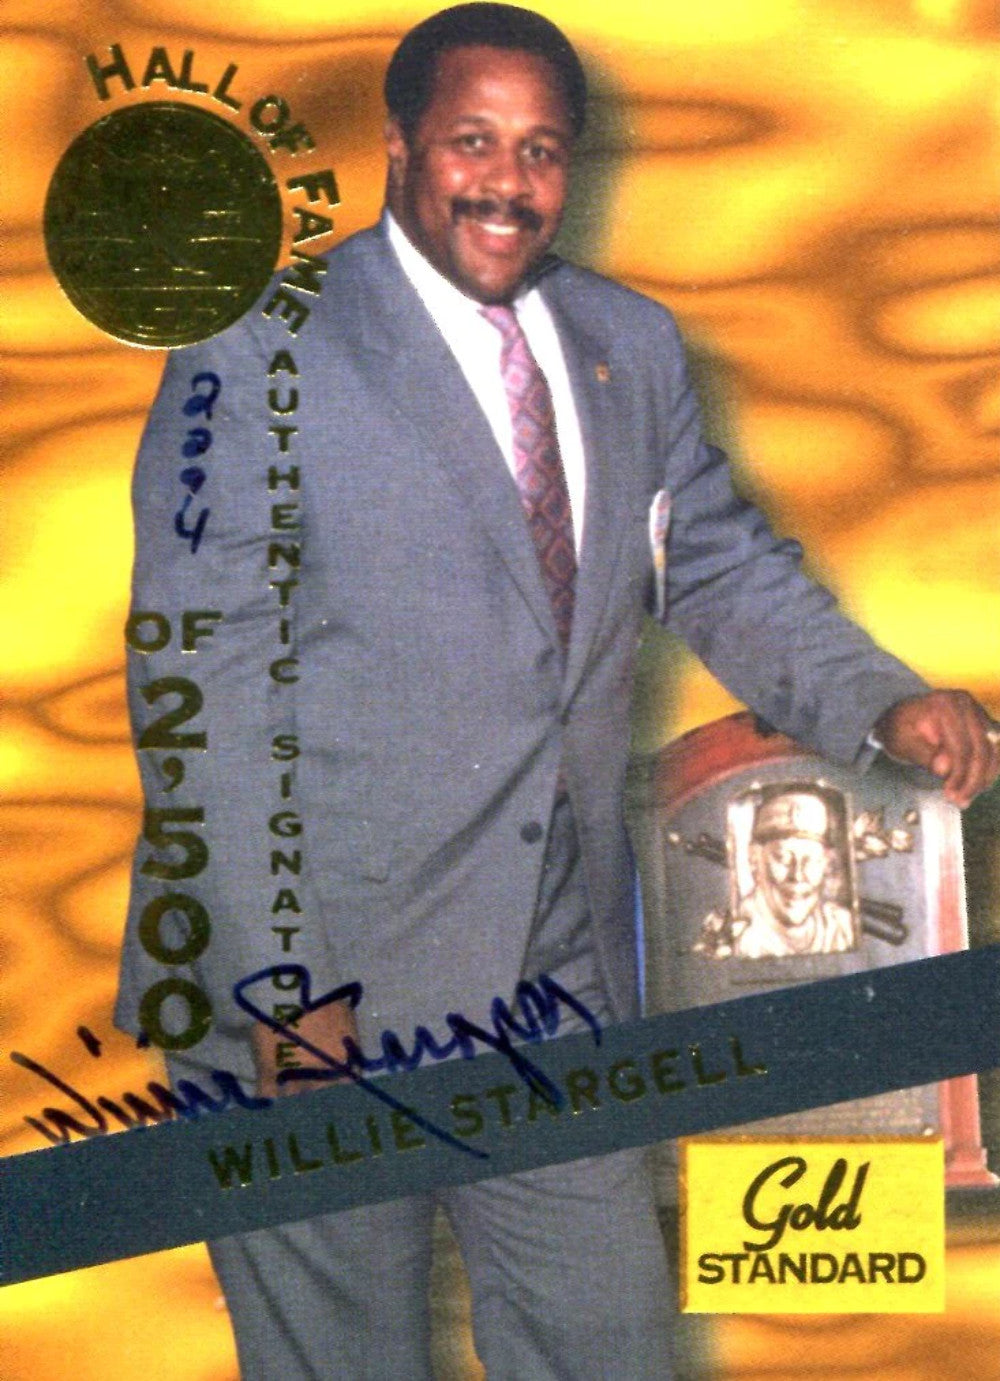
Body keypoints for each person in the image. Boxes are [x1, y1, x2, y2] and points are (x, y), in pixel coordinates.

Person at [116, 5, 1000, 1376]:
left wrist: (879, 702)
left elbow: (715, 561)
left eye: (539, 150)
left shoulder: (624, 345)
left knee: (607, 1338)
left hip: (552, 973)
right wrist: (283, 976)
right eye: (472, 141)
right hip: (319, 979)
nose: (507, 182)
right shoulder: (258, 347)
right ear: (398, 144)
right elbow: (202, 688)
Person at [732, 790, 855, 957]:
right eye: (783, 859)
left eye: (810, 860)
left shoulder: (840, 928)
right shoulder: (739, 934)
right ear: (754, 858)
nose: (797, 876)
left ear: (826, 862)